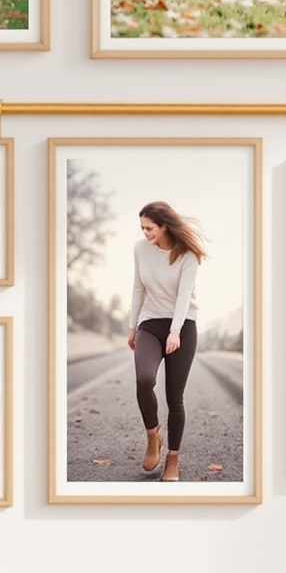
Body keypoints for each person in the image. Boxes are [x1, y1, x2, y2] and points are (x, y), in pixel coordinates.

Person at [129, 200, 203, 485]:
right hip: (149, 323)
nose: (145, 233)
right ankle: (153, 436)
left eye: (149, 228)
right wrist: (133, 326)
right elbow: (137, 287)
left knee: (175, 397)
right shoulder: (140, 249)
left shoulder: (188, 256)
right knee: (144, 379)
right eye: (142, 228)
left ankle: (173, 458)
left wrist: (175, 332)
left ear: (164, 226)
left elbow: (185, 295)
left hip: (183, 326)